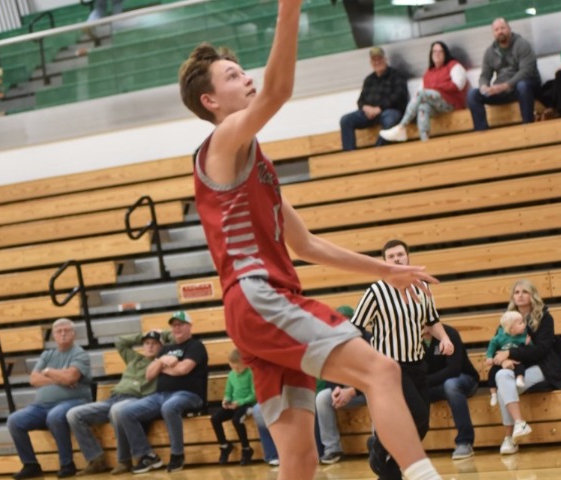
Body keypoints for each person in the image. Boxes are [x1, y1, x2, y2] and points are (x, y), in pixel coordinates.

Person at [178, 2, 443, 477]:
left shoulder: (253, 166)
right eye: (233, 76)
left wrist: (387, 270)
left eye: (242, 70)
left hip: (253, 312)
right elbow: (278, 91)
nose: (247, 78)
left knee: (300, 457)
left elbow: (306, 246)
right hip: (260, 298)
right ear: (210, 101)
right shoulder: (221, 142)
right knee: (382, 370)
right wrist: (289, 9)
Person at [350, 239, 453, 480]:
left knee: (423, 424)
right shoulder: (376, 292)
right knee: (415, 416)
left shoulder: (422, 288)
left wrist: (445, 338)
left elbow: (432, 321)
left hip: (417, 364)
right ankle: (380, 451)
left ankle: (381, 452)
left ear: (408, 257)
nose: (397, 259)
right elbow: (355, 327)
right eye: (391, 256)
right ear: (385, 262)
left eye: (400, 255)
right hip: (390, 368)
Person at [114, 311, 208, 473]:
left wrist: (161, 367)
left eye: (180, 324)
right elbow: (149, 374)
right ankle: (147, 456)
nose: (176, 328)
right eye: (174, 325)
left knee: (169, 407)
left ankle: (177, 455)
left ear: (189, 326)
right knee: (125, 413)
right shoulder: (166, 349)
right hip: (160, 395)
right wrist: (164, 361)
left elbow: (183, 369)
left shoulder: (196, 346)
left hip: (189, 394)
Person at [66, 330, 163, 476]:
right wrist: (144, 335)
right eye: (147, 343)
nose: (150, 346)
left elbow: (175, 342)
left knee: (117, 410)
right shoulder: (134, 358)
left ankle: (124, 460)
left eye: (154, 343)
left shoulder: (162, 362)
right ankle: (95, 459)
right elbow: (120, 342)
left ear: (162, 346)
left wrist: (163, 335)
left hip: (135, 400)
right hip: (113, 398)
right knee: (73, 414)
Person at [7, 318, 92, 480]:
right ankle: (31, 465)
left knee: (55, 416)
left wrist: (47, 372)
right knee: (14, 420)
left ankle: (67, 464)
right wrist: (59, 377)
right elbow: (34, 379)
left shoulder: (80, 353)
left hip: (75, 401)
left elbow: (70, 378)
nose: (63, 334)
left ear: (74, 334)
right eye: (59, 331)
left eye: (66, 331)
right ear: (53, 335)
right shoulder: (47, 355)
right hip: (41, 406)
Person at [492, 279, 561, 455]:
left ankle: (509, 438)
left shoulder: (545, 317)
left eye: (524, 292)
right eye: (516, 292)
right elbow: (497, 346)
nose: (520, 295)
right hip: (517, 367)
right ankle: (520, 423)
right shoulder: (507, 318)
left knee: (504, 388)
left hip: (544, 366)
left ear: (532, 295)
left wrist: (510, 353)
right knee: (501, 376)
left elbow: (541, 350)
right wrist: (503, 361)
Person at [379, 41, 468, 142]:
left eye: (440, 51)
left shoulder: (453, 65)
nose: (437, 54)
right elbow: (419, 92)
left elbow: (458, 85)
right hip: (436, 105)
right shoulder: (429, 72)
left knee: (423, 94)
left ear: (445, 53)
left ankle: (401, 127)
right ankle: (425, 140)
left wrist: (436, 87)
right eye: (434, 51)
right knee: (423, 107)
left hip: (452, 103)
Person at [467, 18, 541, 131]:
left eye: (502, 28)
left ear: (509, 29)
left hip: (524, 86)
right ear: (493, 33)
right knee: (473, 94)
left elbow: (527, 71)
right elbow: (485, 75)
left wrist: (506, 85)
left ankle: (528, 126)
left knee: (523, 86)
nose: (500, 31)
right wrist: (484, 86)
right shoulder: (490, 52)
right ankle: (482, 132)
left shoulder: (522, 44)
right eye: (496, 30)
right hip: (502, 90)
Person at [315, 305, 367, 465]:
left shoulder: (368, 340)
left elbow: (374, 376)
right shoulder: (333, 344)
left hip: (367, 390)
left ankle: (380, 445)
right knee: (322, 397)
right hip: (345, 390)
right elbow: (330, 372)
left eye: (345, 320)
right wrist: (335, 390)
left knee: (377, 395)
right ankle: (332, 449)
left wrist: (352, 390)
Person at [422, 324, 479, 460]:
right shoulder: (411, 338)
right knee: (407, 391)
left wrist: (424, 382)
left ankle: (465, 442)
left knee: (451, 385)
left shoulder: (449, 333)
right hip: (433, 385)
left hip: (464, 380)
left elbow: (454, 369)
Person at [339, 46, 409, 151]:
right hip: (369, 114)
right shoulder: (369, 80)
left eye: (379, 59)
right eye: (374, 60)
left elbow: (399, 96)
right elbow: (360, 101)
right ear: (371, 62)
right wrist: (365, 108)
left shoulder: (396, 75)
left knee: (390, 119)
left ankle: (377, 151)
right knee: (346, 120)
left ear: (385, 59)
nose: (377, 62)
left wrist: (379, 108)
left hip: (388, 111)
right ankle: (349, 155)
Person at [210, 348, 256, 466]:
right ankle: (224, 445)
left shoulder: (251, 373)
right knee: (215, 418)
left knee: (237, 420)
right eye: (233, 368)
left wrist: (240, 402)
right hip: (234, 405)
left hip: (247, 404)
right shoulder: (231, 375)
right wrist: (226, 400)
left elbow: (254, 395)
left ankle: (246, 449)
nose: (236, 370)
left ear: (245, 363)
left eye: (238, 368)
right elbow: (228, 392)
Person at [485, 311, 529, 408]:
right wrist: (489, 357)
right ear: (511, 328)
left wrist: (527, 343)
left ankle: (519, 379)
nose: (524, 325)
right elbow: (492, 346)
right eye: (521, 323)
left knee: (520, 367)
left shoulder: (523, 336)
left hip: (516, 361)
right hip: (501, 362)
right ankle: (493, 394)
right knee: (491, 373)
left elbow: (528, 350)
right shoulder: (500, 336)